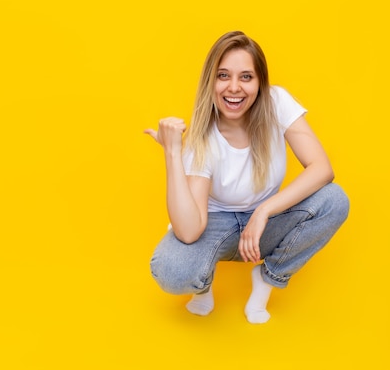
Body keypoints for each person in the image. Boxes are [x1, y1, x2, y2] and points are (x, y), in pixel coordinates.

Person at [144, 31, 349, 324]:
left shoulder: (277, 102)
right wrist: (173, 153)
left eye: (246, 77)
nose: (234, 88)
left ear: (259, 83)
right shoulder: (204, 137)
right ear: (211, 81)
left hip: (265, 225)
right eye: (223, 75)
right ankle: (202, 288)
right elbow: (190, 230)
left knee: (335, 200)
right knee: (171, 271)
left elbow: (321, 168)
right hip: (215, 226)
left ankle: (266, 280)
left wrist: (264, 210)